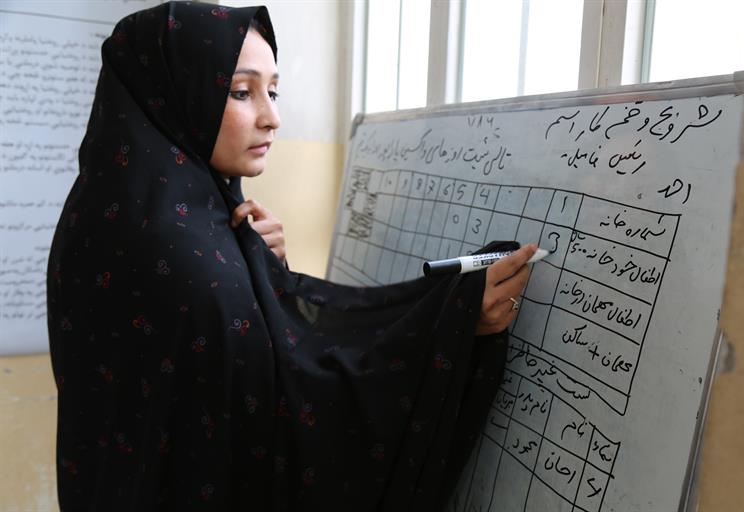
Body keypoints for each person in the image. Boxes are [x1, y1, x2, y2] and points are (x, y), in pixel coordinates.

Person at [46, 2, 535, 510]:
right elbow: (280, 405)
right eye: (240, 92)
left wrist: (260, 269)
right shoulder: (171, 248)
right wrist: (447, 326)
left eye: (273, 90)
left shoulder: (124, 209)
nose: (272, 117)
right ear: (173, 95)